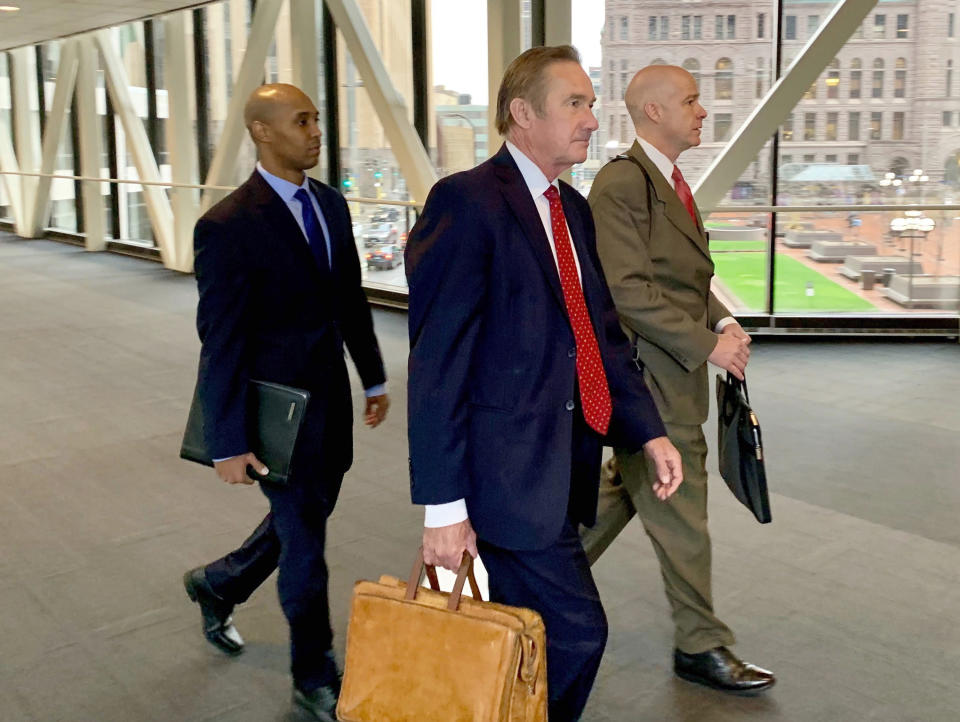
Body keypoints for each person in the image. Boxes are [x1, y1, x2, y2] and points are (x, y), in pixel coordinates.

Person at [405, 46, 683, 722]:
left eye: (590, 103)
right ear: (522, 113)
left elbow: (598, 338)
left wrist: (647, 432)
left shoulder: (574, 211)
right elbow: (436, 363)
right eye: (575, 103)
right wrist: (443, 511)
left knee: (520, 637)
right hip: (500, 476)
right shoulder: (467, 203)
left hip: (561, 465)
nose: (592, 119)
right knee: (578, 631)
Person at [182, 83, 389, 721]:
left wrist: (374, 377)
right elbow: (221, 340)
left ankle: (217, 582)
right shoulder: (227, 226)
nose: (316, 131)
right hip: (273, 415)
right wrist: (228, 439)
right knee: (305, 543)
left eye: (317, 118)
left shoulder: (329, 204)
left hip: (327, 402)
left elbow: (348, 297)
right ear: (263, 132)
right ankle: (313, 674)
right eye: (302, 121)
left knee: (308, 515)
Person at [581, 64, 775, 694]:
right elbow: (627, 291)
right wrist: (707, 346)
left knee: (622, 496)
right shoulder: (621, 184)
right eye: (690, 101)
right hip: (652, 388)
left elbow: (681, 281)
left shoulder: (664, 182)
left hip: (666, 381)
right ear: (654, 112)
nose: (702, 111)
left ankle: (518, 591)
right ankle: (702, 645)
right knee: (684, 518)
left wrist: (724, 321)